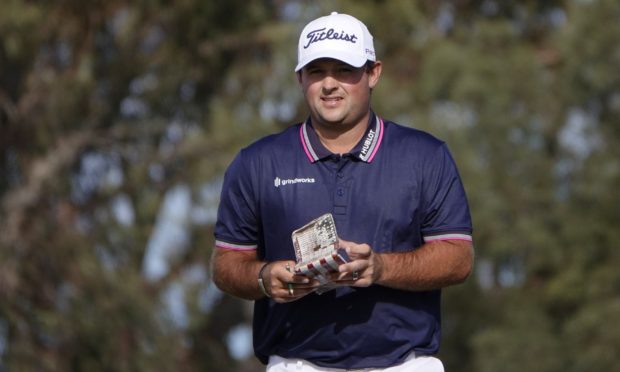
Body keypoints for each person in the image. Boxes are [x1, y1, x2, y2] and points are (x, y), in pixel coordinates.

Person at [211, 11, 474, 372]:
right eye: (317, 72)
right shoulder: (257, 162)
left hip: (404, 364)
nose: (329, 84)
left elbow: (458, 258)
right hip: (295, 364)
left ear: (373, 73)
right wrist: (263, 277)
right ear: (300, 78)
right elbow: (225, 264)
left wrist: (381, 268)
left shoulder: (425, 156)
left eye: (345, 70)